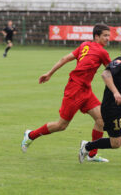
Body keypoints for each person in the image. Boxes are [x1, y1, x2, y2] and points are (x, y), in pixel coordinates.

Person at [21, 24, 113, 162]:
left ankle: (91, 154)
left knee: (101, 119)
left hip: (85, 89)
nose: (108, 38)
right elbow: (113, 70)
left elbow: (65, 58)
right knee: (61, 125)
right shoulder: (102, 52)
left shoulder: (84, 45)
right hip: (75, 90)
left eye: (108, 35)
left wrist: (49, 73)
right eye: (105, 35)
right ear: (96, 36)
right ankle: (30, 135)